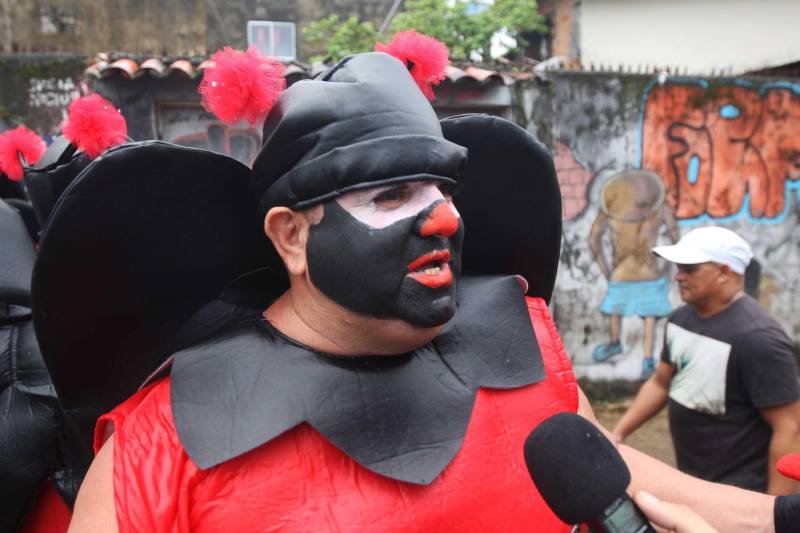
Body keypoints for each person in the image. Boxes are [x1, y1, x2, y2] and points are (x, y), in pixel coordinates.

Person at [43, 42, 777, 531]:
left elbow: (616, 475)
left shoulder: (522, 337)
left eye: (440, 189)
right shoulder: (166, 437)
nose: (445, 217)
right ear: (291, 236)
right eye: (392, 196)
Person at [612, 226, 800, 495]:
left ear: (725, 273)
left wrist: (773, 512)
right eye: (678, 268)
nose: (678, 277)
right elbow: (661, 383)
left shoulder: (760, 340)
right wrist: (618, 433)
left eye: (690, 269)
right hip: (694, 480)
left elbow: (790, 429)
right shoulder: (681, 319)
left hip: (742, 492)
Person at [589, 170, 679, 380]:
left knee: (616, 309)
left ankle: (614, 343)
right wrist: (665, 267)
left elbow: (594, 239)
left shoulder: (611, 210)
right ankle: (648, 360)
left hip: (620, 274)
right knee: (650, 317)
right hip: (649, 273)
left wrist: (606, 270)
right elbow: (675, 236)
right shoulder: (659, 209)